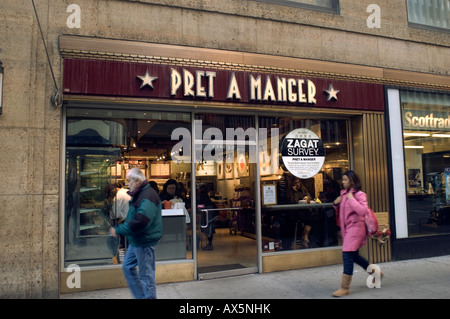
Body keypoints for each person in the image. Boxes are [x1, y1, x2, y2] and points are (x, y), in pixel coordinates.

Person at [110, 168, 162, 299]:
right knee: (128, 267)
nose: (127, 183)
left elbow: (140, 221)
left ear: (137, 181)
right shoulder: (140, 194)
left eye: (128, 181)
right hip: (137, 240)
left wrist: (119, 230)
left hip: (144, 241)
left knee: (146, 276)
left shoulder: (148, 195)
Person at [331, 170, 380, 297]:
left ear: (352, 181)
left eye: (345, 180)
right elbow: (342, 213)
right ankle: (375, 273)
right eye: (342, 180)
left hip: (356, 228)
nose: (343, 182)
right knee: (355, 256)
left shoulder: (359, 194)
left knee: (347, 255)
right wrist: (336, 204)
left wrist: (351, 199)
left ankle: (345, 287)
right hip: (347, 229)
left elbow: (363, 211)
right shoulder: (343, 194)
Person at [290, 178, 313, 248]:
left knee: (310, 218)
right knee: (305, 218)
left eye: (298, 182)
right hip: (295, 211)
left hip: (304, 210)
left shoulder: (303, 189)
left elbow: (310, 197)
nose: (297, 184)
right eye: (296, 183)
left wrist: (307, 197)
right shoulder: (291, 191)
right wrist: (295, 191)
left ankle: (305, 237)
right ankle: (304, 239)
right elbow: (294, 201)